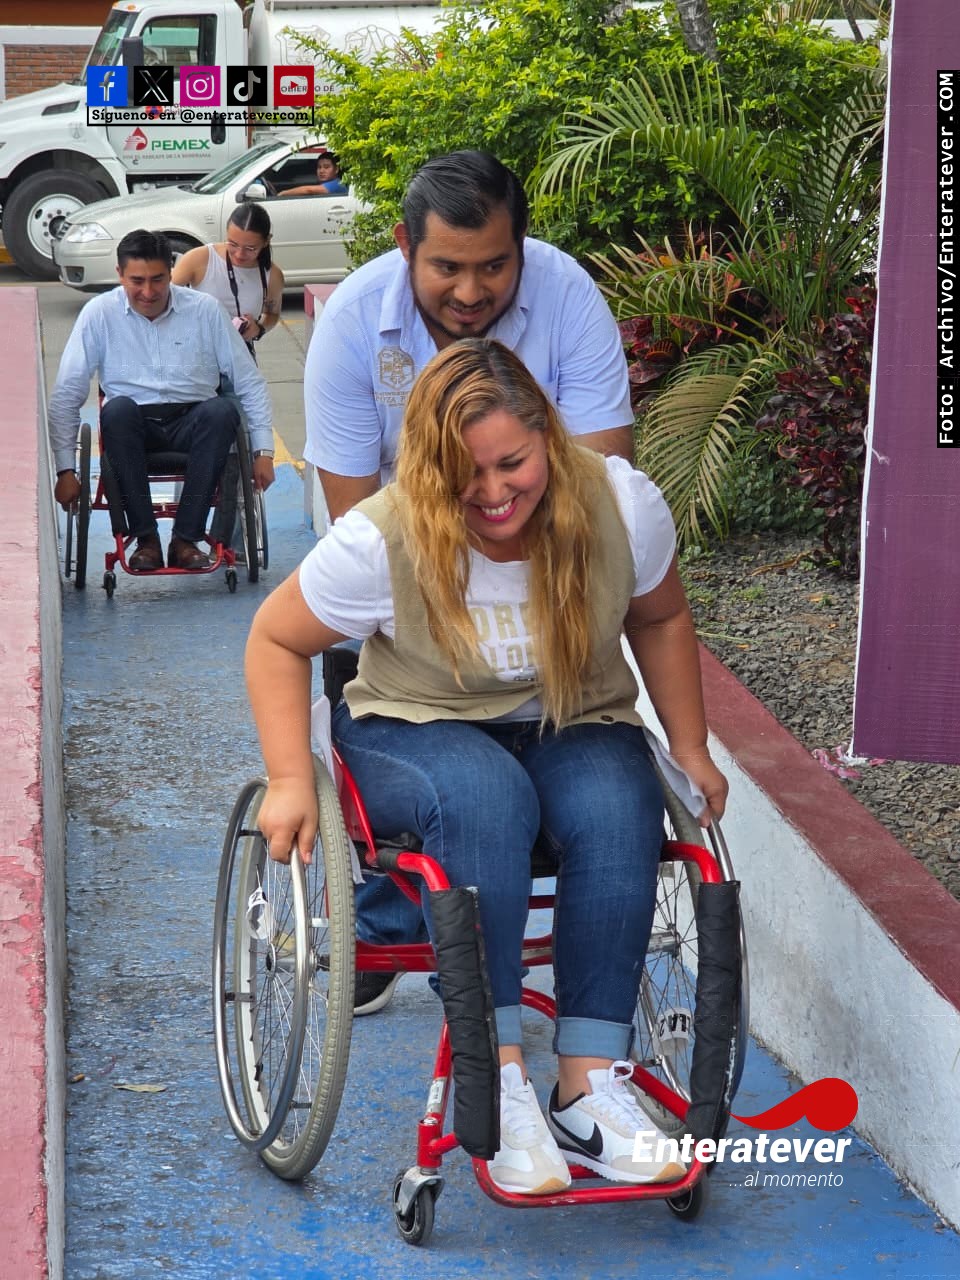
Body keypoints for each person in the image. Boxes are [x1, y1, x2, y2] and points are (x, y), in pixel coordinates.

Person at [246, 338, 728, 1195]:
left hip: (569, 714)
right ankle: (497, 1081)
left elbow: (658, 617)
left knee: (620, 802)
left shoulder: (620, 507)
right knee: (484, 797)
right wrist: (289, 779)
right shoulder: (384, 538)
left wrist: (688, 747)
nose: (495, 492)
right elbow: (276, 639)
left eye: (513, 463)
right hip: (414, 721)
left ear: (548, 438)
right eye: (466, 475)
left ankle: (588, 1090)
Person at [303, 149, 635, 1013]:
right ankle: (387, 917)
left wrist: (511, 556)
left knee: (579, 784)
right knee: (450, 773)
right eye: (447, 267)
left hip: (543, 566)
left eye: (494, 266)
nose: (471, 290)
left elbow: (602, 481)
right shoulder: (353, 324)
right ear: (404, 246)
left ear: (522, 248)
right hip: (407, 575)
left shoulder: (568, 298)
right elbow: (353, 510)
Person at [49, 229, 275, 571]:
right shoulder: (99, 314)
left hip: (194, 422)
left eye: (158, 279)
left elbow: (249, 382)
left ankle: (185, 539)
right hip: (132, 426)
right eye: (137, 281)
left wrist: (263, 452)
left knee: (222, 410)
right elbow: (67, 392)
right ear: (120, 274)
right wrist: (65, 469)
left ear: (171, 272)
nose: (148, 291)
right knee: (117, 410)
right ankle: (146, 540)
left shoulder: (205, 310)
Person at [172, 202, 285, 359]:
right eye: (233, 244)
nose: (239, 254)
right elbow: (163, 298)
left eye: (250, 248)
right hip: (194, 354)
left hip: (238, 357)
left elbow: (272, 314)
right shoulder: (199, 259)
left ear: (266, 241)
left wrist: (258, 328)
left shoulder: (272, 275)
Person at [279, 149, 348, 197]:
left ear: (336, 169)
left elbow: (308, 190)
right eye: (319, 167)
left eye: (326, 167)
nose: (321, 171)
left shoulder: (337, 184)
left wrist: (284, 193)